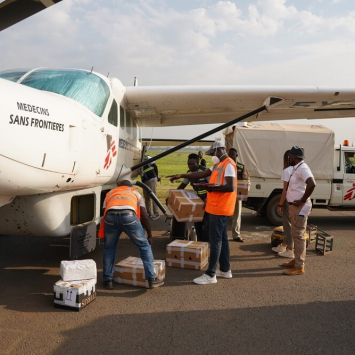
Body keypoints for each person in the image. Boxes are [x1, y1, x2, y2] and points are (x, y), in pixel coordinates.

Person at [169, 141, 237, 285]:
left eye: (213, 153)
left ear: (219, 150)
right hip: (217, 207)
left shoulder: (228, 164)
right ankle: (225, 270)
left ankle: (210, 274)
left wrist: (211, 189)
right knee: (223, 240)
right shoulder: (218, 165)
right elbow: (202, 173)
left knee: (215, 241)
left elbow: (230, 186)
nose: (212, 156)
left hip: (220, 208)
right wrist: (181, 175)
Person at [98, 180, 164, 289]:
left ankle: (108, 280)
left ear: (118, 186)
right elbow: (144, 216)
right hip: (128, 216)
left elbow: (104, 210)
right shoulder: (135, 193)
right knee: (144, 246)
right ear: (130, 186)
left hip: (110, 217)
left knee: (109, 249)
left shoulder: (110, 193)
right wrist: (150, 235)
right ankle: (151, 279)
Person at [282, 146, 316, 276]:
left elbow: (312, 184)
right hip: (295, 206)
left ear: (294, 157)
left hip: (299, 207)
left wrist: (302, 200)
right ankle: (296, 260)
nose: (289, 158)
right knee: (296, 234)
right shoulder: (298, 167)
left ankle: (299, 266)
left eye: (290, 156)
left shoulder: (302, 168)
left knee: (299, 236)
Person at [176, 153, 209, 242]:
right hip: (198, 201)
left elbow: (212, 187)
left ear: (198, 163)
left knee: (206, 223)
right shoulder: (189, 173)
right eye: (188, 164)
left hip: (207, 200)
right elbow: (182, 186)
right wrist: (172, 196)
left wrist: (207, 199)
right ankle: (200, 242)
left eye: (192, 164)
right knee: (197, 222)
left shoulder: (205, 172)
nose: (190, 166)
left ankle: (207, 243)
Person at [272, 150, 294, 258]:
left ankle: (290, 249)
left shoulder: (287, 170)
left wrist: (280, 205)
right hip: (298, 201)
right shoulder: (299, 169)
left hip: (289, 200)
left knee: (287, 225)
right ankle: (284, 245)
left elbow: (285, 190)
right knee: (292, 225)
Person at [228, 147, 250, 243]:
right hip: (226, 194)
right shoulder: (225, 166)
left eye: (233, 154)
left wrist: (245, 190)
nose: (231, 156)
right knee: (224, 214)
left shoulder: (241, 167)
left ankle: (236, 235)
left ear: (236, 155)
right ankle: (221, 235)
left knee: (237, 215)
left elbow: (246, 180)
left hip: (237, 195)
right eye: (230, 154)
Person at [141, 155, 160, 220]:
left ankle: (156, 213)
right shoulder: (137, 158)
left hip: (151, 178)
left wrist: (157, 177)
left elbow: (155, 166)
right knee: (147, 197)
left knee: (153, 196)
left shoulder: (147, 157)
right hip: (145, 179)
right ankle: (149, 214)